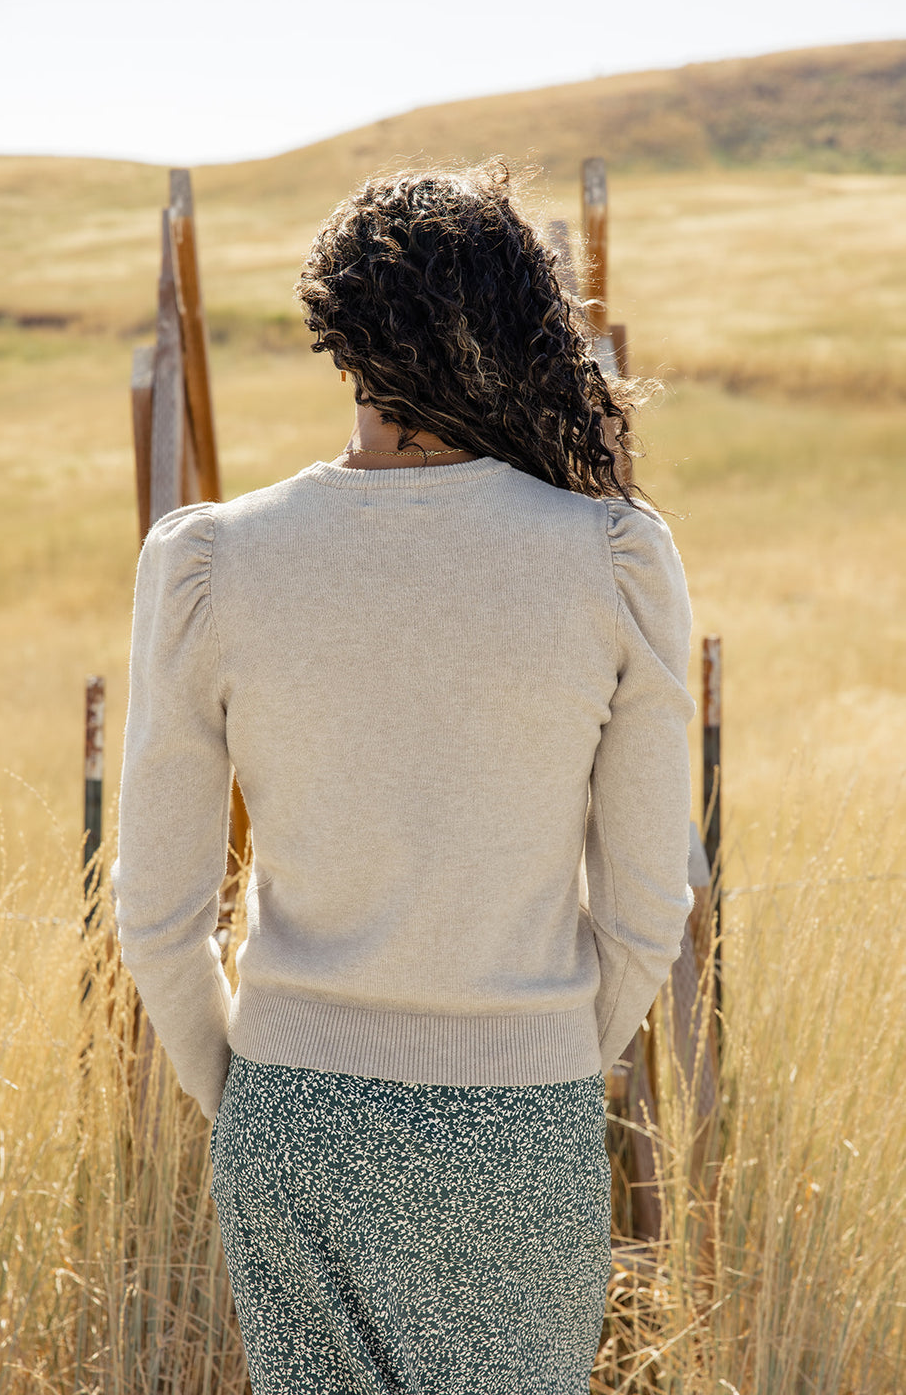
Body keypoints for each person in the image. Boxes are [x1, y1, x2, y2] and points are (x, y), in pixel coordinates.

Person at [113, 162, 694, 1395]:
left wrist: (263, 1087)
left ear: (342, 337)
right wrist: (534, 1057)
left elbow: (158, 917)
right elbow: (650, 905)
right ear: (517, 327)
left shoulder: (216, 560)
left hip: (292, 1110)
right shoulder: (613, 559)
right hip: (518, 1123)